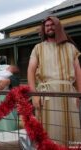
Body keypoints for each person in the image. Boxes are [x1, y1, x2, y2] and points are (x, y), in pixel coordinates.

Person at [27, 16, 81, 145]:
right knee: (48, 129)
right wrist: (34, 95)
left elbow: (78, 72)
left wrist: (79, 94)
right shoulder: (38, 48)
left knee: (71, 130)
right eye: (47, 26)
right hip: (46, 95)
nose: (50, 27)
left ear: (58, 27)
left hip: (69, 93)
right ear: (44, 29)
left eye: (52, 25)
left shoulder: (71, 48)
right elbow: (30, 70)